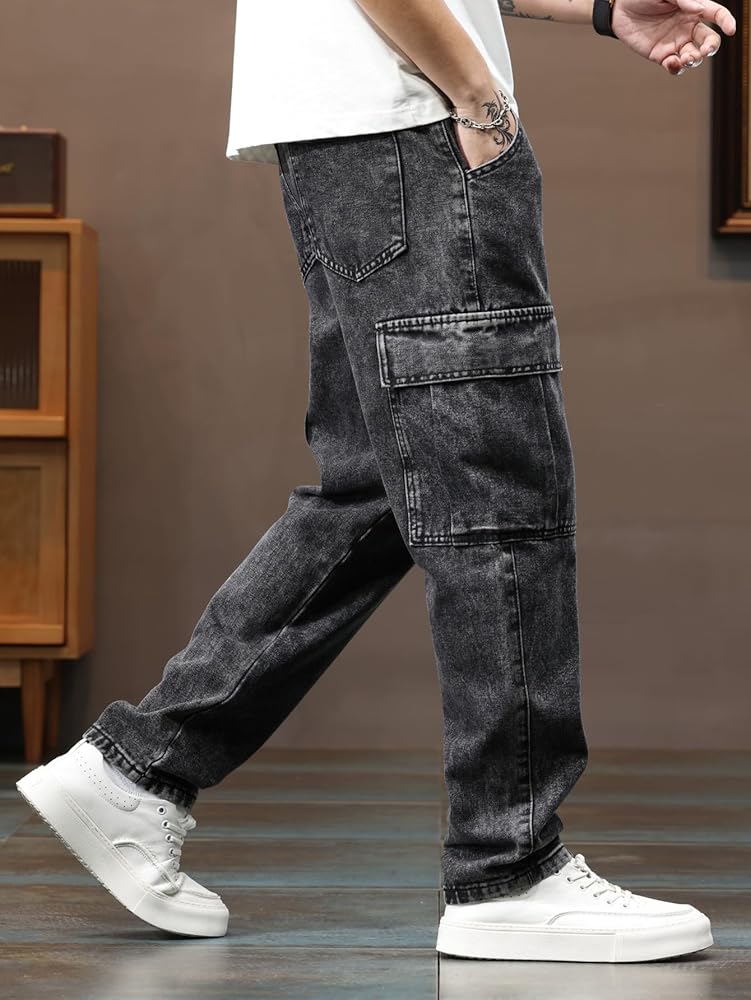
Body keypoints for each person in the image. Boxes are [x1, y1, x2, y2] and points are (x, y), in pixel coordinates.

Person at [17, 0, 735, 962]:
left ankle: (140, 769)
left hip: (358, 142)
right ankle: (508, 866)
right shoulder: (442, 107)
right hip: (412, 130)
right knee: (494, 500)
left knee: (379, 490)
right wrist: (477, 96)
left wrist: (603, 8)